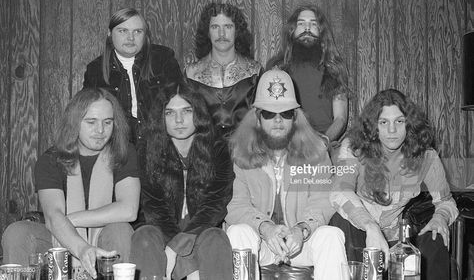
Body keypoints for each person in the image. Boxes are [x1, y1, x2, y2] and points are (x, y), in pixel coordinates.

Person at [1, 88, 140, 278]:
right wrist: (82, 248)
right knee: (17, 232)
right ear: (74, 123)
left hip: (104, 241)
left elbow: (128, 210)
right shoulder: (51, 159)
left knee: (121, 229)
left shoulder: (124, 152)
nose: (100, 131)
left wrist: (69, 221)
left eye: (107, 122)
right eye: (91, 122)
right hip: (59, 242)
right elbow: (52, 216)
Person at [225, 68, 348, 280]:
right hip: (261, 241)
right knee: (237, 233)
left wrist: (302, 229)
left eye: (287, 113)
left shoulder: (316, 152)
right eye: (269, 114)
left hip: (300, 243)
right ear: (257, 118)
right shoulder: (240, 154)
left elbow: (322, 201)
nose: (278, 120)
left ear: (296, 118)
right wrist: (265, 227)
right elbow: (235, 205)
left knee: (331, 235)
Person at [329, 89, 459, 280]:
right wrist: (370, 227)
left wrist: (441, 217)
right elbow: (340, 191)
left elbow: (446, 202)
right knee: (341, 223)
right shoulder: (354, 147)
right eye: (384, 122)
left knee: (435, 236)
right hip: (360, 233)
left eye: (399, 121)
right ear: (374, 126)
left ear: (409, 124)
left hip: (399, 239)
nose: (392, 130)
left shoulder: (426, 155)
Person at [130, 82, 235, 280]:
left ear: (199, 113)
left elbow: (215, 204)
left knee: (216, 237)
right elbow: (153, 206)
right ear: (161, 117)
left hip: (202, 228)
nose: (179, 120)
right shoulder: (147, 149)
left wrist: (175, 249)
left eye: (186, 111)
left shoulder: (218, 149)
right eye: (170, 113)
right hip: (160, 229)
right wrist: (180, 254)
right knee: (143, 235)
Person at [84, 7, 182, 145]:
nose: (131, 38)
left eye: (137, 31)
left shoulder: (163, 59)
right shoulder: (95, 70)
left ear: (145, 35)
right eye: (123, 31)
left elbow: (182, 102)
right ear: (109, 33)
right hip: (117, 147)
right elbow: (86, 115)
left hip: (161, 143)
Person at [266, 4, 349, 145]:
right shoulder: (277, 67)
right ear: (292, 30)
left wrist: (324, 141)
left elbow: (340, 118)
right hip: (287, 144)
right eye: (301, 24)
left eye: (313, 24)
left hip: (324, 143)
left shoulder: (334, 67)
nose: (307, 28)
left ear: (321, 31)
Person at [184, 2, 262, 138]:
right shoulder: (191, 74)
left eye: (228, 26)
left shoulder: (254, 71)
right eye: (215, 27)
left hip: (245, 151)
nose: (221, 34)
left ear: (237, 31)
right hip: (202, 152)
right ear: (207, 32)